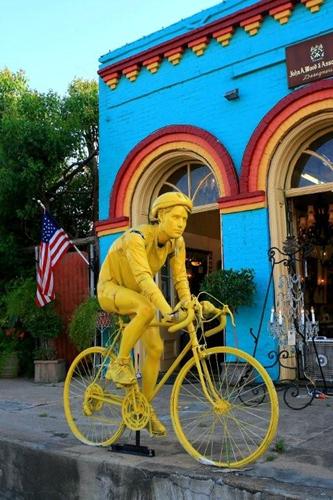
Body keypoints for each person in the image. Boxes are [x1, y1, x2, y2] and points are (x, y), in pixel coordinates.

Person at [97, 192, 192, 436]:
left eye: (185, 219)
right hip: (111, 289)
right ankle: (119, 364)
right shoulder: (136, 238)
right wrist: (168, 310)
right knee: (147, 308)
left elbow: (181, 279)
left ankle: (143, 409)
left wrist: (189, 305)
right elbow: (144, 278)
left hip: (137, 294)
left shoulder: (176, 243)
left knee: (157, 349)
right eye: (176, 217)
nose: (181, 223)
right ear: (160, 216)